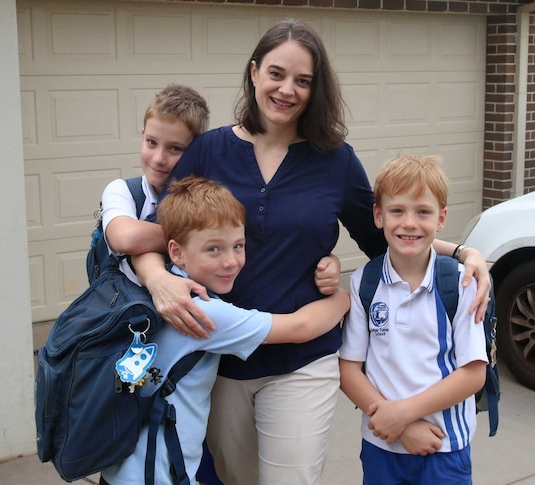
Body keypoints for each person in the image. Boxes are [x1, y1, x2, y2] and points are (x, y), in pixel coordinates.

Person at [132, 19, 492, 485]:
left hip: (304, 360)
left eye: (303, 80)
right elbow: (153, 236)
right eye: (277, 74)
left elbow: (382, 232)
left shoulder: (334, 160)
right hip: (217, 360)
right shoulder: (208, 151)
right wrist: (157, 279)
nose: (288, 90)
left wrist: (461, 253)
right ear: (255, 72)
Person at [99, 176, 351, 485]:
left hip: (121, 465)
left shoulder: (156, 284)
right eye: (214, 249)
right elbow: (300, 327)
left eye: (238, 246)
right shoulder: (203, 312)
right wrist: (345, 297)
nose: (230, 261)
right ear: (176, 251)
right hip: (159, 472)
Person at [339, 155, 487, 485]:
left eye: (423, 212)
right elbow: (348, 370)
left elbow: (474, 373)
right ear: (378, 215)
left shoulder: (461, 284)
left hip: (443, 446)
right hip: (382, 445)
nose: (409, 223)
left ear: (441, 219)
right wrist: (400, 427)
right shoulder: (364, 282)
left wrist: (403, 416)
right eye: (397, 211)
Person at [101, 84, 210, 287]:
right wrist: (206, 238)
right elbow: (126, 237)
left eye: (175, 148)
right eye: (151, 142)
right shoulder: (122, 191)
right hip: (133, 313)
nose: (159, 158)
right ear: (142, 135)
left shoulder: (208, 196)